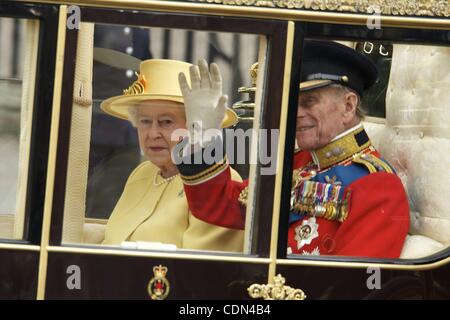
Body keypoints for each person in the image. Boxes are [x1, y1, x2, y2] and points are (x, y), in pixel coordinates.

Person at [175, 41, 410, 258]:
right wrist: (202, 138)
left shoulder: (378, 186)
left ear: (348, 106)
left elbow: (352, 285)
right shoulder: (299, 162)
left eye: (309, 102)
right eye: (292, 103)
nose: (295, 113)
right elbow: (220, 204)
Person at [99, 59, 244, 252]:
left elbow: (202, 268)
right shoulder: (141, 173)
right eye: (145, 121)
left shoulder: (217, 183)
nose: (153, 133)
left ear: (194, 124)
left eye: (166, 122)